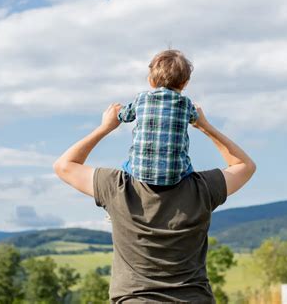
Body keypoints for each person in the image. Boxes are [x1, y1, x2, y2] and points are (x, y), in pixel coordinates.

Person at [53, 102, 256, 303]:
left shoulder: (117, 187)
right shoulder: (202, 188)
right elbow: (244, 165)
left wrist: (105, 127)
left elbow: (64, 166)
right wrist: (204, 126)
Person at [117, 49, 198, 186]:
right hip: (175, 177)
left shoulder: (141, 99)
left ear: (151, 81)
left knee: (126, 165)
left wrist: (119, 111)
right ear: (185, 83)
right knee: (189, 167)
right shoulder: (186, 103)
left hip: (139, 173)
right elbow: (195, 119)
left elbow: (125, 116)